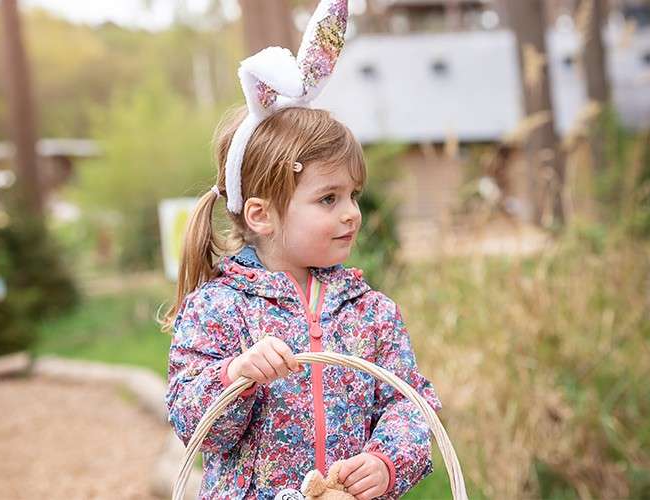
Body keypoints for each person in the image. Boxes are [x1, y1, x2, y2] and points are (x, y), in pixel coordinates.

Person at [161, 1, 441, 498]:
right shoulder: (217, 308)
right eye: (328, 199)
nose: (351, 213)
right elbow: (193, 421)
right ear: (261, 215)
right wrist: (236, 374)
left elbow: (409, 405)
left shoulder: (371, 313)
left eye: (353, 195)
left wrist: (387, 462)